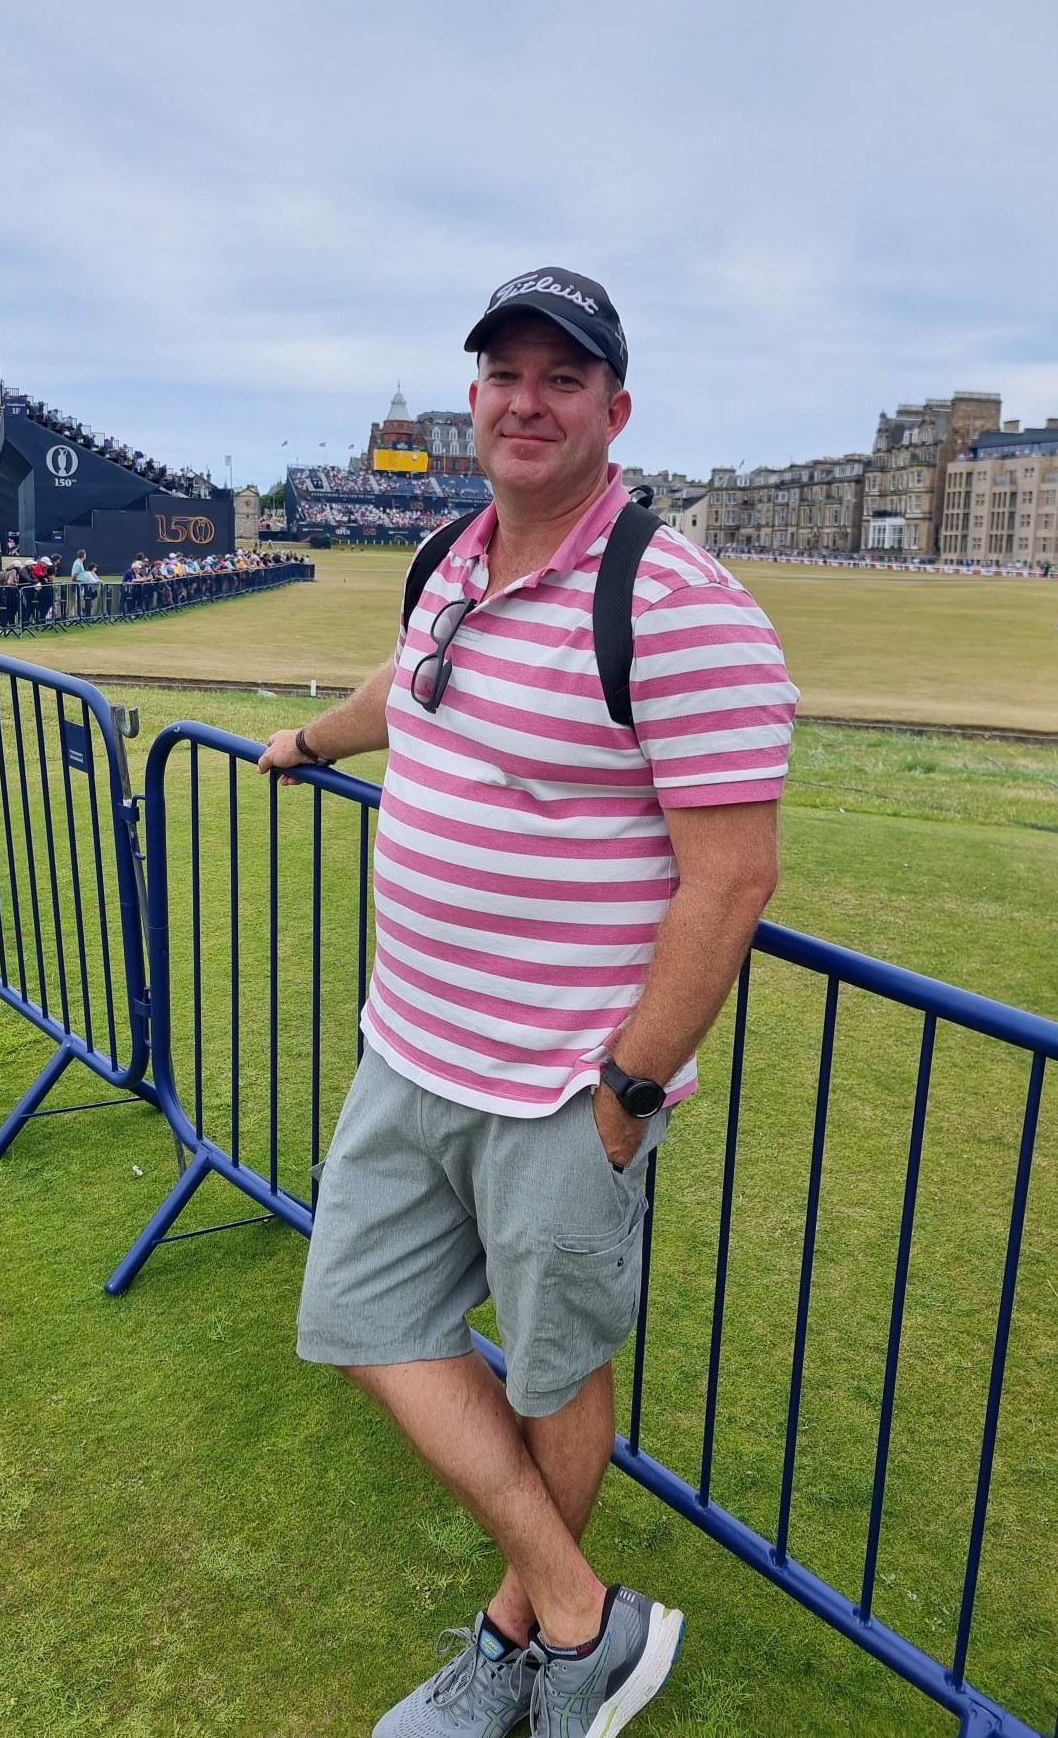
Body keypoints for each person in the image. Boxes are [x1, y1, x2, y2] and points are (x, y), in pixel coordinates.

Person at [259, 268, 798, 1737]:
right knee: (363, 1317)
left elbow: (732, 880)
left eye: (564, 377)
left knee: (557, 1373)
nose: (526, 398)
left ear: (615, 412)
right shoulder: (451, 550)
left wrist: (624, 1094)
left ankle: (521, 1644)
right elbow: (410, 685)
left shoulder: (678, 606)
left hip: (565, 1086)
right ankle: (582, 1621)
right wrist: (308, 739)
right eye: (504, 372)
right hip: (410, 1047)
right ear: (472, 401)